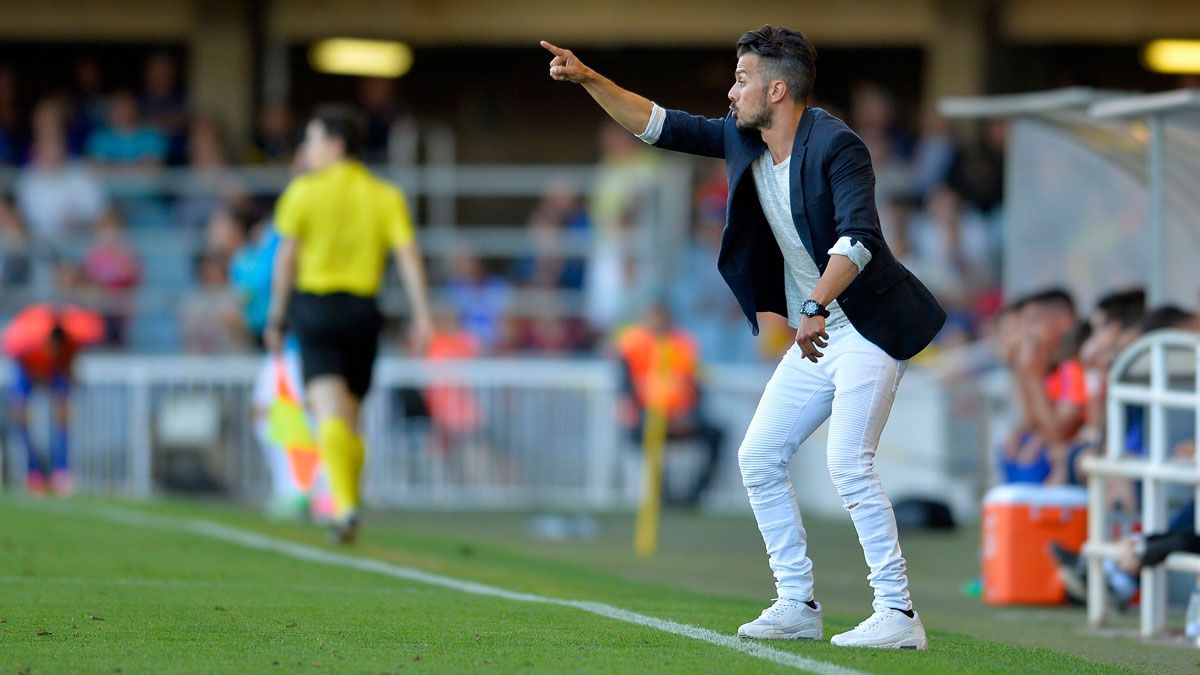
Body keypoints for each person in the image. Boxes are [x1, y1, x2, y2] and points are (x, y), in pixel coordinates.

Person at [543, 24, 945, 648]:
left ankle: (898, 614)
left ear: (777, 89)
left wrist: (811, 302)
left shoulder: (839, 146)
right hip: (817, 333)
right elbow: (655, 124)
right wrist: (590, 78)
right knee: (758, 458)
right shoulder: (743, 137)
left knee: (847, 463)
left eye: (741, 79)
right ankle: (797, 603)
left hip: (867, 327)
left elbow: (859, 239)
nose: (731, 91)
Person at [265, 105, 433, 544]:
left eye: (313, 140)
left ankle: (345, 507)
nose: (308, 149)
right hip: (363, 311)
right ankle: (347, 503)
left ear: (335, 145)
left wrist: (276, 315)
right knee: (349, 419)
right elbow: (407, 255)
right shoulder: (385, 195)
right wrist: (422, 314)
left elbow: (286, 257)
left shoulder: (304, 191)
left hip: (316, 308)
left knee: (328, 416)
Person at [615, 301, 724, 508]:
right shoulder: (632, 344)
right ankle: (665, 495)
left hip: (684, 415)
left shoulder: (683, 344)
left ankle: (694, 497)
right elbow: (625, 388)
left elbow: (696, 386)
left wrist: (689, 415)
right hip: (648, 415)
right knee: (643, 435)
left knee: (717, 433)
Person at [1, 304, 104, 495]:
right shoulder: (29, 342)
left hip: (54, 372)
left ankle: (61, 471)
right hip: (27, 371)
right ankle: (34, 471)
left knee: (63, 415)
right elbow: (18, 360)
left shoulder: (71, 342)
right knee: (21, 415)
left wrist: (66, 382)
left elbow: (70, 371)